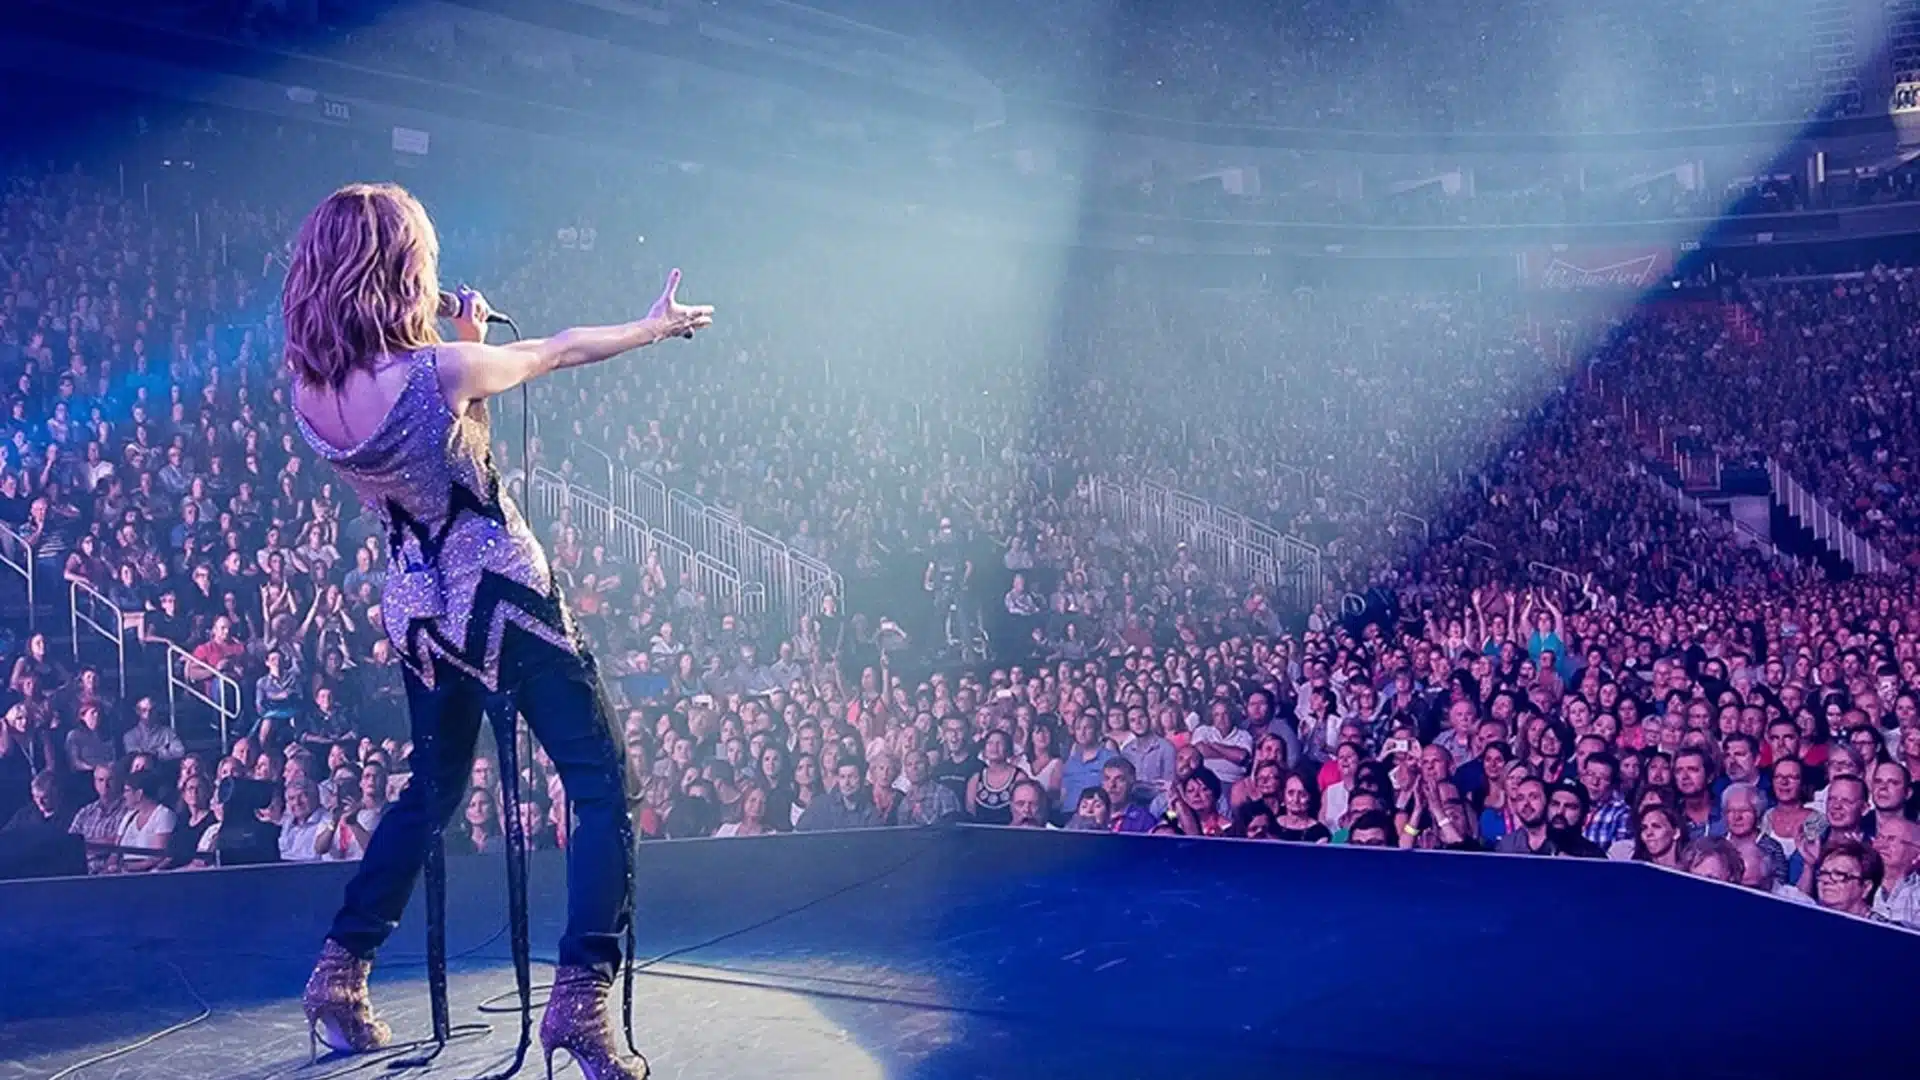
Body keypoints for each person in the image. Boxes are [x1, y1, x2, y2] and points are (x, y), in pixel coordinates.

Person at [286, 183, 711, 1078]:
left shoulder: (310, 389)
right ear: (403, 268)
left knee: (433, 792)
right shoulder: (437, 370)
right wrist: (649, 329)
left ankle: (340, 968)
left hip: (416, 603)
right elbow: (553, 354)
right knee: (601, 783)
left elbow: (430, 459)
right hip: (500, 593)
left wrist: (460, 350)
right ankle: (583, 1001)